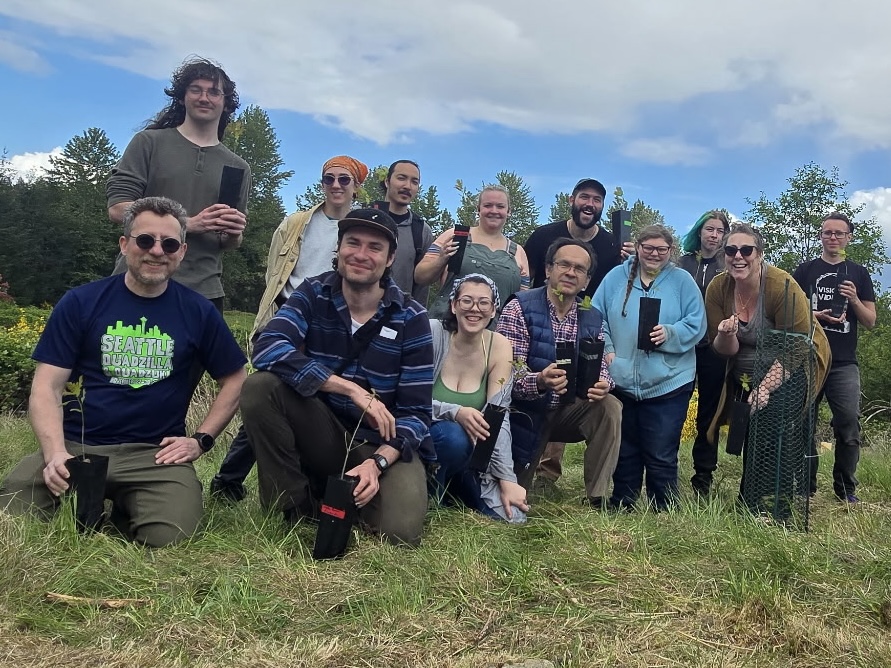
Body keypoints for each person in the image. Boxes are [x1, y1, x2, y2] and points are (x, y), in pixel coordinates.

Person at [0, 197, 247, 547]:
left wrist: (201, 440)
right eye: (145, 240)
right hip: (77, 446)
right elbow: (46, 386)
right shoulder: (81, 302)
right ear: (125, 243)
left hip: (154, 454)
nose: (157, 251)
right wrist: (55, 452)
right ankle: (95, 500)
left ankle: (122, 507)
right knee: (11, 514)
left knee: (169, 538)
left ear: (182, 251)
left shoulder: (199, 311)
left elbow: (235, 377)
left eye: (169, 244)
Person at [239, 209, 433, 546]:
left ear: (389, 259)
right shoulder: (313, 294)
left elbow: (417, 415)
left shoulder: (412, 317)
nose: (360, 254)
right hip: (319, 427)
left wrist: (378, 462)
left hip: (378, 442)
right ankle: (292, 506)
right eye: (352, 243)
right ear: (338, 248)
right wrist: (347, 387)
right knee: (260, 387)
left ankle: (340, 492)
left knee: (400, 534)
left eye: (374, 247)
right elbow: (266, 347)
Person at [210, 155, 369, 501]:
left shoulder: (362, 231)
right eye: (329, 179)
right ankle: (228, 479)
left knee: (308, 400)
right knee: (268, 392)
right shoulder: (296, 223)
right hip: (288, 321)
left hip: (331, 328)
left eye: (345, 180)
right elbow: (274, 275)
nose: (336, 186)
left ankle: (306, 480)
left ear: (357, 187)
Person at [106, 57, 251, 309]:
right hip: (137, 284)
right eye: (196, 89)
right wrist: (187, 223)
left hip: (203, 293)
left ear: (226, 103)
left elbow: (228, 242)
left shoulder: (238, 167)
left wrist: (234, 233)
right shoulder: (149, 143)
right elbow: (117, 208)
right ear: (182, 97)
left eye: (214, 92)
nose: (204, 97)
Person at [705, 224, 830, 502]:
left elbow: (796, 346)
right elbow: (724, 350)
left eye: (746, 250)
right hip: (745, 368)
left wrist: (765, 388)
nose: (739, 256)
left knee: (773, 422)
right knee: (751, 426)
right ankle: (751, 498)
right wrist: (727, 334)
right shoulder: (718, 288)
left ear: (759, 254)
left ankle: (775, 502)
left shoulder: (780, 285)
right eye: (731, 250)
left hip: (795, 363)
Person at [496, 238, 622, 507]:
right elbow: (504, 376)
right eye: (564, 264)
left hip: (567, 410)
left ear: (587, 281)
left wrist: (604, 383)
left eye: (579, 269)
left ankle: (596, 496)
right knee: (512, 504)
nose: (570, 272)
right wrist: (539, 380)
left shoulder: (592, 316)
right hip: (524, 413)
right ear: (548, 270)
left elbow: (601, 367)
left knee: (610, 406)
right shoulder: (519, 307)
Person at [593, 225, 706, 510]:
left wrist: (670, 333)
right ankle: (623, 505)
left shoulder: (682, 281)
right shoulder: (616, 278)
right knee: (625, 449)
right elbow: (596, 318)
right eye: (648, 248)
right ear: (638, 247)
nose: (654, 254)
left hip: (669, 380)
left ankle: (664, 509)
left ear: (671, 251)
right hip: (622, 380)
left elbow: (697, 324)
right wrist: (607, 351)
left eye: (661, 249)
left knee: (661, 451)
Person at [522, 178, 623, 488]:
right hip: (540, 325)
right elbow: (525, 276)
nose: (589, 204)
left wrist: (604, 383)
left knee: (600, 400)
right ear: (572, 199)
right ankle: (526, 473)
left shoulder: (611, 245)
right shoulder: (543, 236)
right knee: (546, 380)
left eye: (596, 199)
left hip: (581, 325)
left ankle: (596, 493)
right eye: (584, 197)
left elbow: (619, 285)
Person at [429, 273, 529, 522]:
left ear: (494, 310)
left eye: (484, 302)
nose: (475, 309)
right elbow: (409, 400)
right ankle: (429, 496)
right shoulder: (432, 333)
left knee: (513, 517)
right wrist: (455, 412)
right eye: (467, 301)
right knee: (453, 436)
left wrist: (507, 478)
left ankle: (456, 487)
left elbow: (498, 417)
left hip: (473, 454)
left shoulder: (499, 346)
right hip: (425, 440)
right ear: (453, 305)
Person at [793, 212, 876, 503]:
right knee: (804, 422)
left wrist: (853, 299)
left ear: (849, 237)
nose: (833, 238)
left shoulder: (859, 273)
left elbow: (870, 321)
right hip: (809, 357)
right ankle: (806, 486)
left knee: (849, 422)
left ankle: (845, 489)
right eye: (828, 233)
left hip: (843, 362)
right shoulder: (804, 271)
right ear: (820, 236)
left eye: (839, 233)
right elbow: (790, 315)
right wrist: (814, 316)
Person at [418, 185, 530, 320]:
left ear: (509, 211)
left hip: (495, 334)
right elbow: (420, 277)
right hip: (448, 326)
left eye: (500, 206)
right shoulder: (456, 235)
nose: (494, 211)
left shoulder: (518, 252)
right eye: (488, 205)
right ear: (478, 209)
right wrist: (440, 260)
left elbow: (523, 303)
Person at [678, 211, 730, 495]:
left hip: (714, 348)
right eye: (709, 229)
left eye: (719, 231)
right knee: (675, 408)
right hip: (683, 347)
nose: (713, 235)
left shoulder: (728, 264)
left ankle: (703, 478)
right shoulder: (683, 263)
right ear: (699, 231)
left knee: (709, 414)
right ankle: (665, 471)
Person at [370, 160, 435, 304]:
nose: (407, 186)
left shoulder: (422, 231)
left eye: (414, 181)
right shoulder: (364, 219)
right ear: (387, 181)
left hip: (398, 318)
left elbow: (422, 287)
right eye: (401, 178)